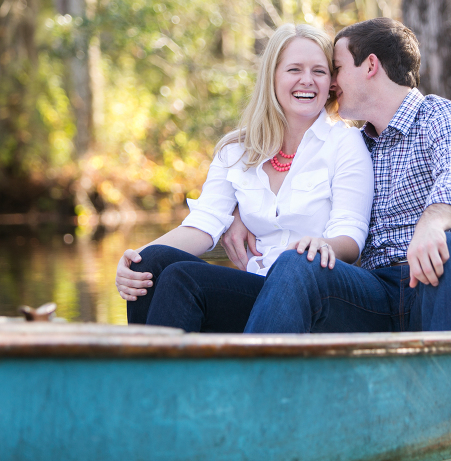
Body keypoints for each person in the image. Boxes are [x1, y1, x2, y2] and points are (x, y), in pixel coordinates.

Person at [225, 17, 451, 334]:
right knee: (298, 262)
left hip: (450, 287)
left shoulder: (445, 117)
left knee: (450, 250)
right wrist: (237, 212)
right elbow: (289, 179)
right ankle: (253, 381)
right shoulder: (354, 145)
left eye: (338, 68)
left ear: (370, 65)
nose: (331, 83)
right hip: (377, 294)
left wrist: (432, 224)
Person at [113, 23, 374, 332]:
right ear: (272, 77)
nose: (307, 80)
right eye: (294, 69)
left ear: (331, 82)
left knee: (183, 280)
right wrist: (134, 258)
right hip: (255, 288)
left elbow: (351, 235)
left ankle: (168, 379)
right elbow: (204, 224)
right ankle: (149, 374)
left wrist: (320, 244)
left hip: (310, 294)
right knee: (153, 265)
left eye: (319, 71)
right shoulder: (237, 149)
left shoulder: (345, 142)